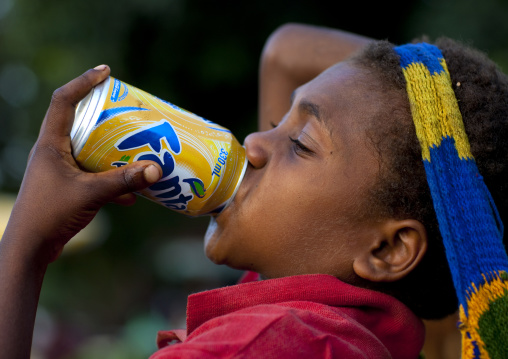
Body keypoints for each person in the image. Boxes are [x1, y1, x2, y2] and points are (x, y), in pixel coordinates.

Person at [1, 22, 507, 359]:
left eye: (301, 145)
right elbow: (286, 52)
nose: (254, 143)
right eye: (273, 121)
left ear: (387, 248)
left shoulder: (264, 344)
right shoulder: (344, 327)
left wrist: (24, 249)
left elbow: (288, 50)